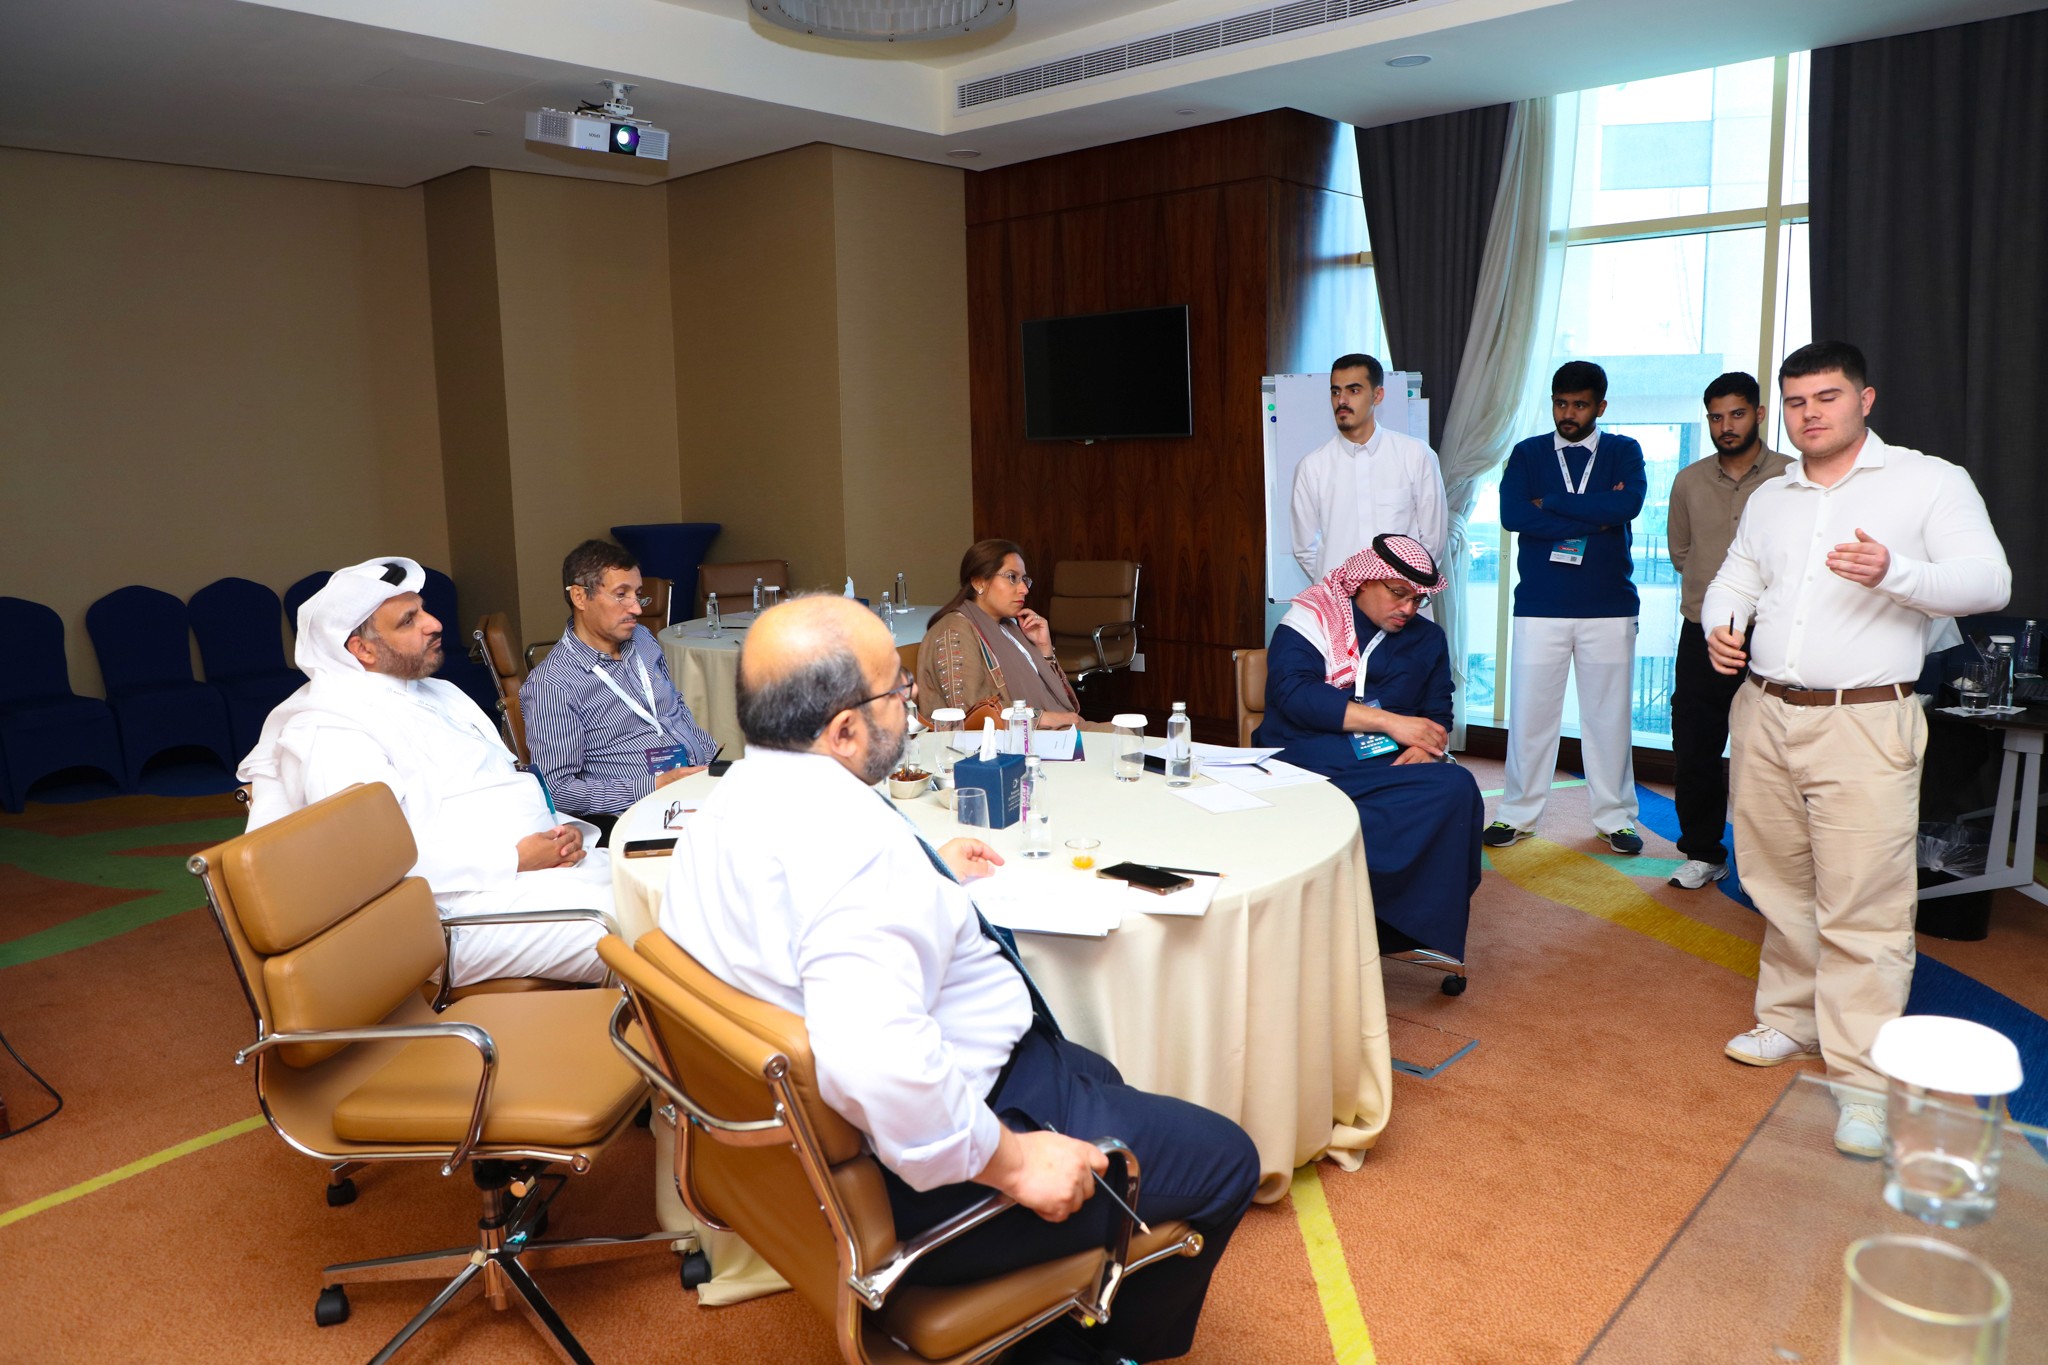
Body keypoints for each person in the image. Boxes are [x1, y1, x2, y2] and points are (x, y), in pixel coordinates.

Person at [661, 595, 1259, 1364]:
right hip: (941, 1164)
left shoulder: (727, 806)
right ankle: (1096, 1345)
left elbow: (798, 930)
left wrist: (930, 880)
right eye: (896, 690)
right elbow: (879, 1061)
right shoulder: (858, 858)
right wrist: (1015, 1163)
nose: (910, 702)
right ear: (844, 730)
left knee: (1097, 1069)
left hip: (811, 1159)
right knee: (1226, 1160)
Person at [1704, 341, 2009, 1157]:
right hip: (1764, 712)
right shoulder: (1772, 496)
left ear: (1865, 399)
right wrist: (1719, 626)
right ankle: (1787, 1020)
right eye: (1796, 400)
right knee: (1776, 879)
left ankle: (1862, 1082)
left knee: (1864, 906)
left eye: (1827, 398)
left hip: (1866, 722)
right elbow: (1737, 574)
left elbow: (1989, 581)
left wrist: (1896, 572)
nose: (1810, 414)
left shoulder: (1929, 481)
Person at [238, 556, 609, 987]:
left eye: (424, 609)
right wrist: (517, 858)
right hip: (452, 918)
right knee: (649, 933)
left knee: (679, 887)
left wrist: (561, 834)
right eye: (409, 620)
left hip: (530, 881)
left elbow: (501, 780)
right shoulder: (331, 729)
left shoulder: (441, 693)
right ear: (362, 649)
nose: (434, 624)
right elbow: (367, 866)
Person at [1256, 536, 1483, 964]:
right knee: (1344, 806)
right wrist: (1392, 723)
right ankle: (1338, 915)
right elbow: (1292, 693)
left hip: (1385, 760)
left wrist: (1430, 746)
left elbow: (1438, 708)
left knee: (1456, 787)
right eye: (1398, 594)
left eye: (1417, 599)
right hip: (1306, 751)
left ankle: (1392, 925)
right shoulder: (1310, 618)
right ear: (1363, 582)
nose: (1408, 609)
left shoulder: (1428, 638)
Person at [1484, 361, 1647, 856]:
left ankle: (1615, 819)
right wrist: (1594, 514)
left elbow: (1628, 506)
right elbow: (1514, 515)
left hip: (1609, 606)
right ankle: (1516, 814)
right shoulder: (1527, 452)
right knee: (1531, 715)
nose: (1568, 413)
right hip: (1539, 605)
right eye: (1561, 403)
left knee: (1608, 718)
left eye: (1579, 405)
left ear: (1600, 406)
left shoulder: (1624, 451)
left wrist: (1551, 503)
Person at [1664, 374, 1793, 890]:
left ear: (1759, 414)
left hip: (1774, 636)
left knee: (1769, 756)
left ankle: (1776, 868)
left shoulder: (1792, 475)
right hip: (1704, 632)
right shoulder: (1689, 481)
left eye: (1737, 414)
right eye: (1716, 416)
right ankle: (1703, 852)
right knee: (1695, 746)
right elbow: (1680, 553)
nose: (1726, 426)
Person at [522, 539, 717, 844]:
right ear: (579, 597)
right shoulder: (553, 685)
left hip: (700, 785)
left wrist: (711, 761)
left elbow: (672, 707)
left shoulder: (642, 639)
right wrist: (654, 784)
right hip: (641, 815)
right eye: (621, 595)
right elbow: (558, 790)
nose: (636, 609)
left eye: (638, 595)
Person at [1290, 352, 1449, 582]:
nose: (1342, 400)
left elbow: (1433, 540)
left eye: (1353, 390)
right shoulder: (1312, 467)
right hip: (1341, 605)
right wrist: (1342, 592)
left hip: (1403, 603)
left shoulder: (1416, 455)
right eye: (1336, 391)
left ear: (1378, 395)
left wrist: (1404, 591)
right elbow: (1305, 548)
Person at [917, 539, 1100, 730]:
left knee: (1129, 738)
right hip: (1022, 744)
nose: (1024, 589)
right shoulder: (955, 630)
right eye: (1012, 577)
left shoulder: (1008, 627)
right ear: (979, 582)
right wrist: (1044, 718)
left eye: (1024, 579)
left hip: (1058, 733)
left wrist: (1043, 648)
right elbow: (971, 714)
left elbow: (1055, 696)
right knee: (1127, 742)